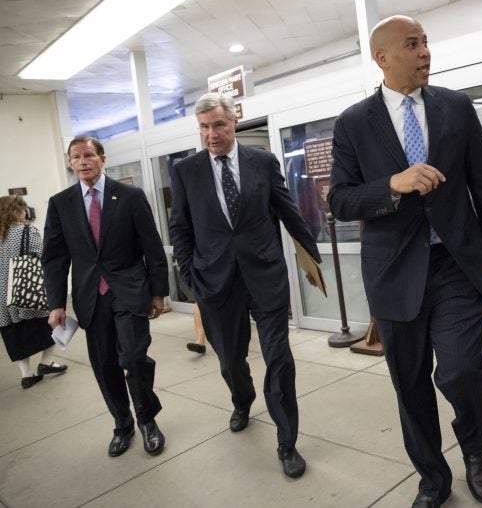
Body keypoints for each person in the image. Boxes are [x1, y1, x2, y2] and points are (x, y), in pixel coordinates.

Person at [328, 15, 482, 508]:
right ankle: (433, 479)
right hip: (393, 273)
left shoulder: (456, 106)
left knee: (460, 371)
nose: (425, 52)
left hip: (456, 262)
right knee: (410, 385)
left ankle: (474, 446)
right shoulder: (353, 122)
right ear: (383, 57)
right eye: (413, 45)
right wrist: (393, 184)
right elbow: (341, 200)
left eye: (426, 42)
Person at [169, 92, 321, 479]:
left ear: (234, 121)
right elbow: (181, 228)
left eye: (218, 125)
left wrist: (311, 258)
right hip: (215, 283)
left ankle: (287, 441)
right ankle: (242, 399)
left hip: (265, 276)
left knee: (279, 359)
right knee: (230, 360)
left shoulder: (263, 162)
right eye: (204, 128)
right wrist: (190, 276)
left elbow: (288, 211)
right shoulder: (186, 171)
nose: (211, 135)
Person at [42, 136, 169, 458]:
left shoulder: (129, 196)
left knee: (133, 357)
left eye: (88, 155)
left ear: (102, 158)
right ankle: (122, 424)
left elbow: (151, 246)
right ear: (70, 163)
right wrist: (56, 303)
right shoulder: (61, 203)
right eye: (76, 157)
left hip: (129, 290)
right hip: (90, 297)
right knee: (105, 365)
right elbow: (54, 258)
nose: (82, 161)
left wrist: (158, 292)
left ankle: (147, 420)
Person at [0, 195, 68, 389]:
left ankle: (26, 375)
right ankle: (46, 363)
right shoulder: (26, 231)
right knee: (49, 324)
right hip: (26, 290)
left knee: (15, 334)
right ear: (17, 211)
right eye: (23, 210)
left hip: (2, 298)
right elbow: (43, 254)